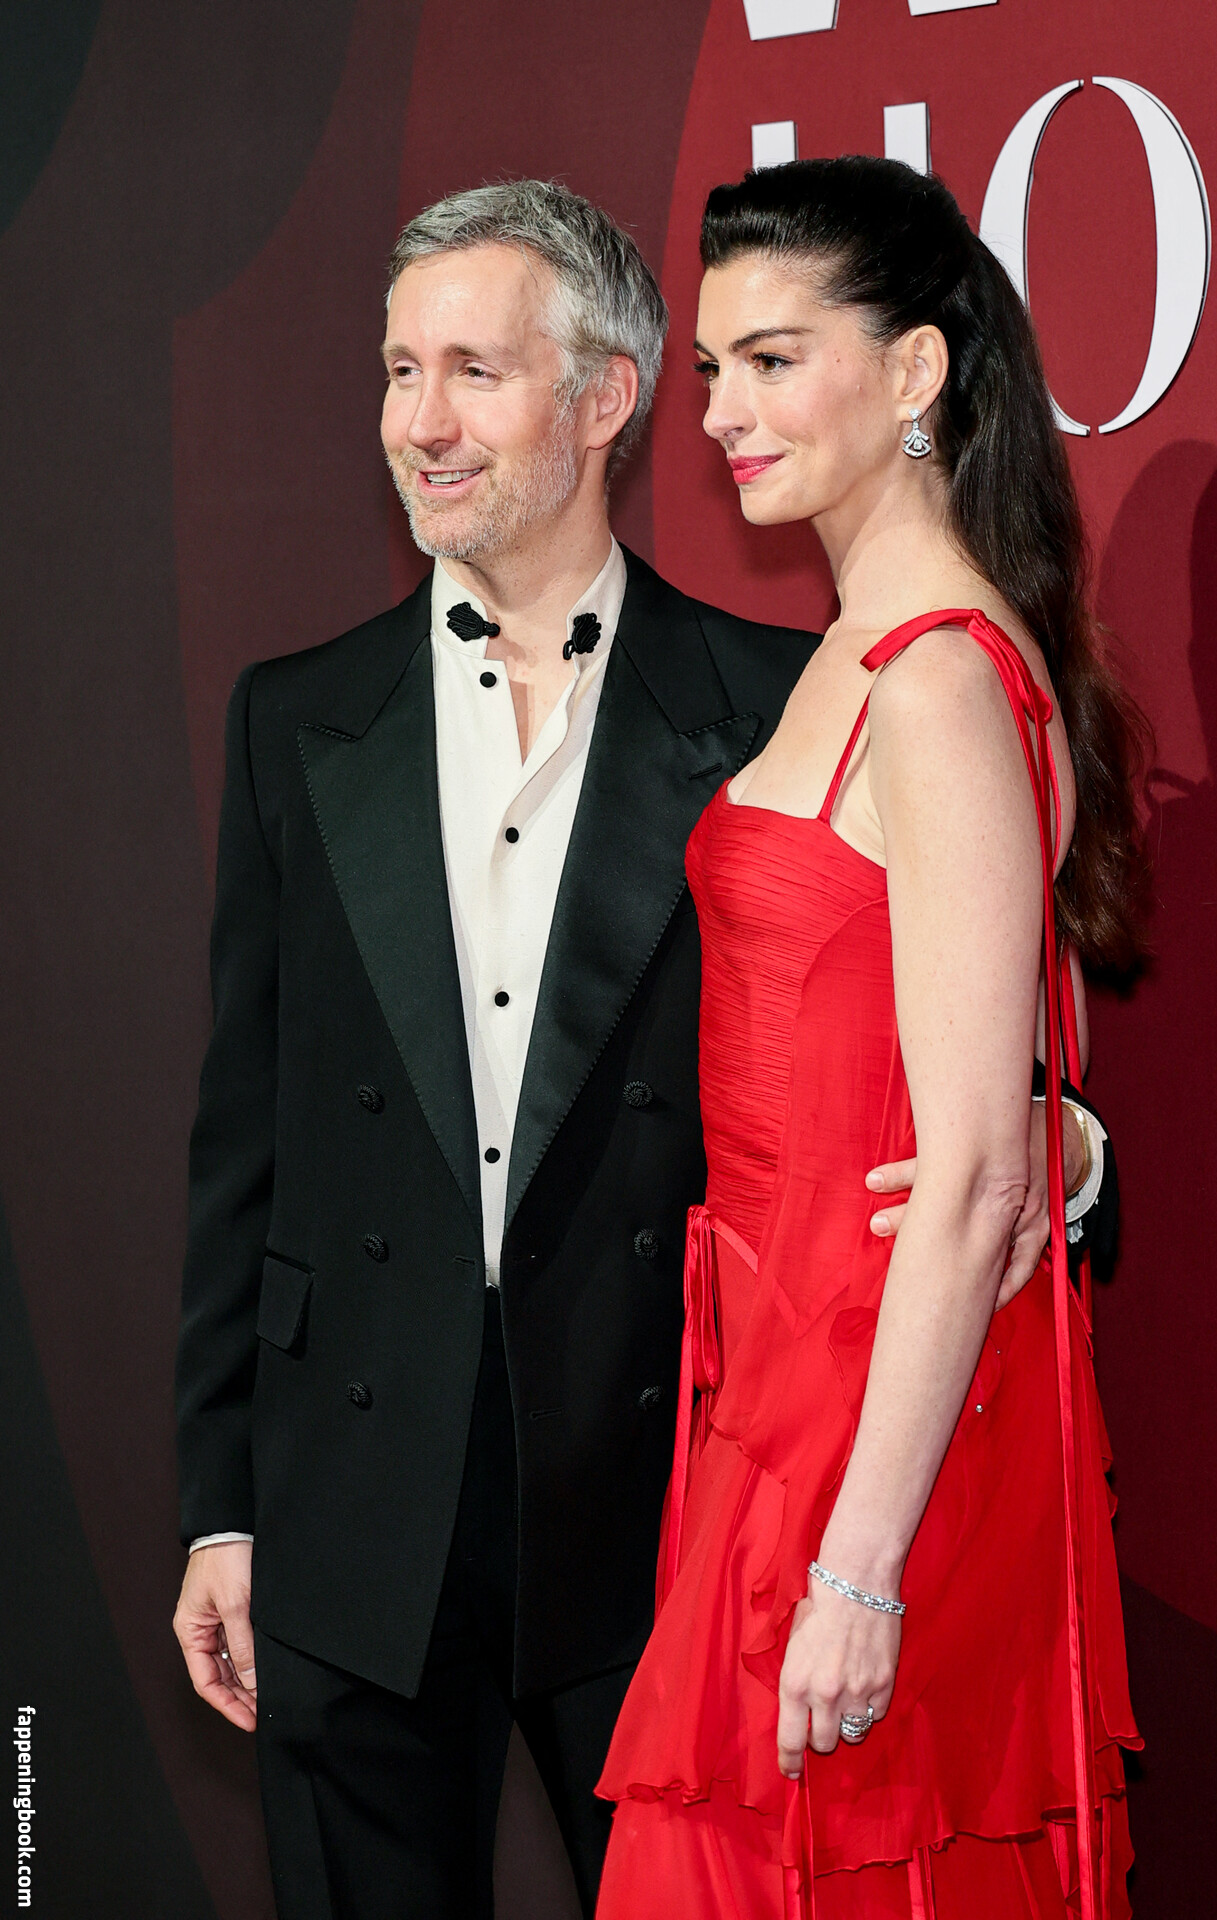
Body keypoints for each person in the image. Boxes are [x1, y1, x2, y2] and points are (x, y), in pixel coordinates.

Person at [171, 179, 1109, 1920]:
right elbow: (248, 1139)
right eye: (398, 371)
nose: (420, 423)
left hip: (667, 1505)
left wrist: (1063, 1144)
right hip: (353, 1515)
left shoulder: (790, 693)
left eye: (474, 371)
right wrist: (221, 1507)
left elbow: (935, 1057)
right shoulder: (293, 720)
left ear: (606, 397)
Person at [597, 157, 1144, 1919]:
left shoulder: (935, 676)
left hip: (862, 1419)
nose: (721, 414)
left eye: (773, 361)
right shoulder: (872, 649)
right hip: (780, 1379)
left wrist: (862, 1568)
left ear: (914, 371)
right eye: (712, 370)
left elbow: (977, 1168)